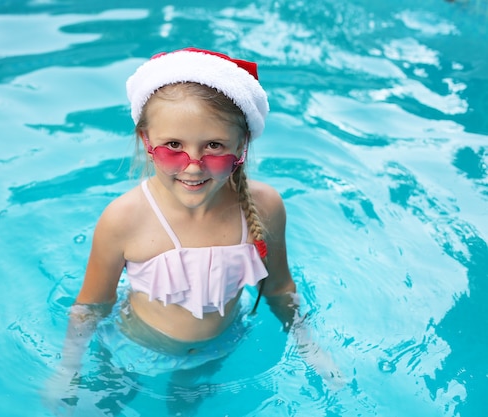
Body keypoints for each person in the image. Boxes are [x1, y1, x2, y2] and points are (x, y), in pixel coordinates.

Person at [45, 47, 340, 415]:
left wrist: (310, 347)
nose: (194, 166)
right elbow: (90, 306)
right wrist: (67, 368)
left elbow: (280, 287)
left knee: (184, 406)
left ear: (242, 146)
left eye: (214, 146)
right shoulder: (124, 219)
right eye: (173, 147)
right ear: (145, 141)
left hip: (221, 345)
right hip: (133, 347)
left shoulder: (265, 207)